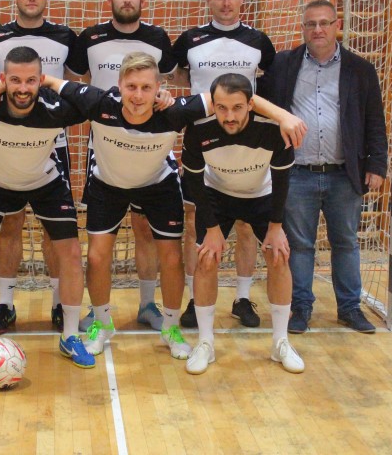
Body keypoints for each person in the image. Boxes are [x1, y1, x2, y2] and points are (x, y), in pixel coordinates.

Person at [36, 53, 300, 362]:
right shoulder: (98, 103)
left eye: (146, 87)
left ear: (159, 88)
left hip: (158, 186)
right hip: (108, 184)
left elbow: (232, 97)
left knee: (172, 258)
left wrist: (283, 116)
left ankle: (171, 328)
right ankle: (102, 325)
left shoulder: (174, 112)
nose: (138, 95)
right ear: (119, 85)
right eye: (131, 86)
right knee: (96, 256)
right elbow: (46, 80)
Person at [0, 46, 95, 370]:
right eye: (14, 80)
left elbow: (96, 99)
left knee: (71, 252)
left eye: (31, 80)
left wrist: (47, 82)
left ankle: (70, 335)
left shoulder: (57, 108)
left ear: (41, 80)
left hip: (44, 180)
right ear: (2, 79)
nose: (22, 89)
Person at [257, 0, 388, 334]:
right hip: (297, 172)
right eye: (311, 24)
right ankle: (300, 308)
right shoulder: (283, 65)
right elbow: (260, 106)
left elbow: (375, 119)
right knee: (300, 245)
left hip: (344, 173)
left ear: (336, 26)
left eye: (324, 23)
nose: (318, 30)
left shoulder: (360, 69)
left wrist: (377, 164)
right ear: (303, 28)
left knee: (346, 242)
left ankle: (350, 308)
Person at [172, 0, 290, 331]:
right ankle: (196, 298)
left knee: (245, 226)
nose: (226, 3)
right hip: (205, 144)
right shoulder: (189, 40)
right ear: (208, 0)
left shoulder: (259, 42)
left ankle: (242, 297)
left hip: (246, 144)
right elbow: (180, 79)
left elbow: (263, 89)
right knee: (195, 223)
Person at [68, 0, 179, 332]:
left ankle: (147, 304)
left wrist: (162, 95)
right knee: (101, 242)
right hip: (107, 147)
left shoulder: (158, 38)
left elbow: (166, 82)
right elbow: (79, 81)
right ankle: (98, 312)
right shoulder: (90, 37)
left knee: (145, 230)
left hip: (148, 147)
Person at [0, 0, 80, 334]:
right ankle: (5, 304)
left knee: (56, 231)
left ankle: (58, 303)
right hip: (5, 144)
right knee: (10, 223)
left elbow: (73, 85)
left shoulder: (66, 37)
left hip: (52, 144)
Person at [180, 73, 303, 375]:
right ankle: (205, 343)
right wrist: (211, 230)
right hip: (217, 194)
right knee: (206, 258)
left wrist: (276, 227)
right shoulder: (198, 130)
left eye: (237, 107)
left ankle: (281, 342)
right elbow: (194, 182)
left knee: (278, 256)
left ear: (250, 104)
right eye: (222, 108)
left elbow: (282, 180)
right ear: (213, 105)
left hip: (262, 196)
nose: (229, 116)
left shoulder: (273, 130)